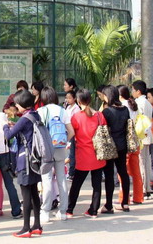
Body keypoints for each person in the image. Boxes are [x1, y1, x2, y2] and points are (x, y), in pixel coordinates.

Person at [3, 90, 43, 238]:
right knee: (34, 193)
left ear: (22, 104)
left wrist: (6, 126)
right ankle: (37, 225)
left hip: (24, 160)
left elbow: (8, 135)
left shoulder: (24, 119)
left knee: (26, 195)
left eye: (17, 104)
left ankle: (26, 228)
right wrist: (15, 125)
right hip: (35, 159)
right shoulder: (35, 115)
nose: (16, 107)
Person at [67, 89, 106, 218]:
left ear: (78, 101)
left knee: (76, 184)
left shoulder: (76, 117)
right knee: (97, 185)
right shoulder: (99, 115)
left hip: (83, 155)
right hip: (98, 154)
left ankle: (69, 209)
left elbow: (71, 133)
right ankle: (93, 210)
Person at [37, 86, 74, 222]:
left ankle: (45, 212)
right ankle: (63, 211)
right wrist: (64, 142)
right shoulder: (62, 111)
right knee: (61, 179)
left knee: (46, 180)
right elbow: (71, 131)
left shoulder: (41, 111)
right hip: (60, 148)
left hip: (46, 150)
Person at [102, 85, 131, 213]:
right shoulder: (125, 109)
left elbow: (102, 130)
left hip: (110, 146)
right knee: (123, 173)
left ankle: (108, 205)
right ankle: (125, 203)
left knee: (109, 175)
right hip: (122, 145)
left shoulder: (107, 112)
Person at [118, 85, 143, 204]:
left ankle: (124, 198)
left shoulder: (122, 107)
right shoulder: (134, 105)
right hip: (135, 141)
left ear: (119, 95)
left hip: (125, 142)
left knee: (123, 172)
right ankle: (138, 197)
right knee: (136, 171)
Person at [132, 80, 152, 199]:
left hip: (141, 135)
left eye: (133, 90)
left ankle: (143, 189)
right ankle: (147, 188)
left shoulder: (139, 103)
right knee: (145, 162)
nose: (132, 92)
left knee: (141, 163)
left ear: (138, 91)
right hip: (146, 135)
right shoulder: (147, 102)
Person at [64, 90, 80, 181]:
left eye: (70, 98)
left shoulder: (76, 108)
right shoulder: (68, 107)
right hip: (67, 131)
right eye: (67, 98)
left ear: (74, 98)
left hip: (72, 132)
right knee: (70, 152)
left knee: (72, 153)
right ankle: (71, 172)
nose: (68, 100)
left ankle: (71, 173)